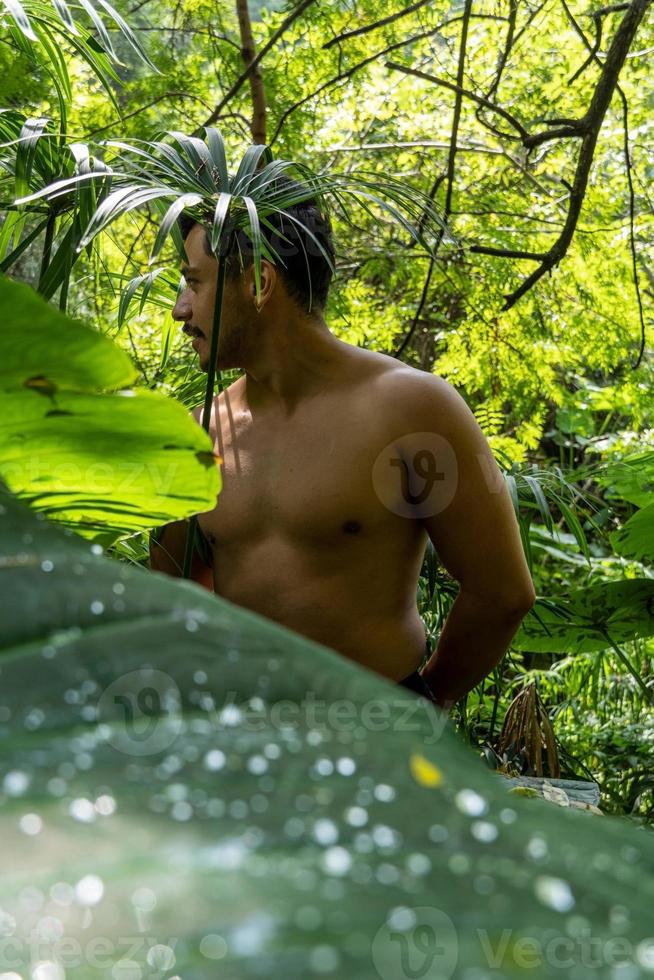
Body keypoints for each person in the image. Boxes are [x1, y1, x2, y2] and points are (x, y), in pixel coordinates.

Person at [150, 184, 535, 708]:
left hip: (376, 732)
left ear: (258, 282)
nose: (179, 309)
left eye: (194, 283)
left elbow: (501, 593)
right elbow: (172, 594)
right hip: (242, 737)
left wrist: (427, 702)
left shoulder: (411, 411)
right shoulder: (199, 433)